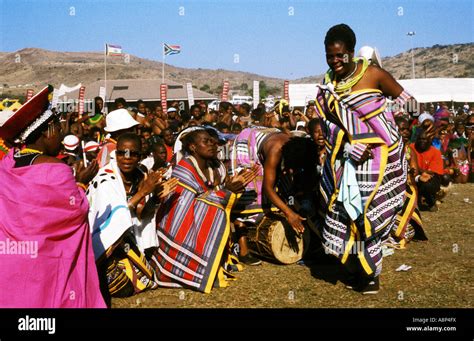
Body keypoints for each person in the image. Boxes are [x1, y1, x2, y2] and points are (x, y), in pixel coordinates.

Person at [314, 24, 410, 294]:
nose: (335, 61)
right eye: (329, 56)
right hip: (345, 158)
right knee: (347, 210)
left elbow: (409, 102)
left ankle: (370, 275)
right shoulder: (328, 84)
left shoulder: (374, 74)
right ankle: (354, 264)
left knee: (370, 214)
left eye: (340, 56)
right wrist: (349, 142)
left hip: (382, 158)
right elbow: (327, 122)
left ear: (352, 52)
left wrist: (387, 126)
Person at [0, 85, 105, 307]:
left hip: (10, 259)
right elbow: (76, 211)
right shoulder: (55, 169)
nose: (61, 135)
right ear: (48, 130)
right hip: (45, 260)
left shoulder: (7, 165)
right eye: (58, 129)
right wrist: (82, 183)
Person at [154, 128, 258, 293]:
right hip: (177, 226)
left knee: (215, 209)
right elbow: (185, 207)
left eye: (212, 141)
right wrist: (225, 192)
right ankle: (193, 268)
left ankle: (213, 263)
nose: (212, 144)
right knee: (212, 210)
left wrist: (232, 189)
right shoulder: (184, 169)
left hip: (197, 217)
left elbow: (211, 197)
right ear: (193, 147)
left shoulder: (216, 167)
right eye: (206, 141)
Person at [87, 133, 177, 302]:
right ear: (116, 154)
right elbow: (114, 220)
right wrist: (144, 192)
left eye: (133, 154)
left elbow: (140, 215)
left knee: (145, 278)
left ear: (140, 156)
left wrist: (155, 198)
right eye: (122, 153)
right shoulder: (106, 179)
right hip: (105, 245)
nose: (127, 158)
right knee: (123, 287)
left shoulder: (141, 175)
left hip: (129, 240)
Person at [411, 128, 445, 211]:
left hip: (429, 177)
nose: (422, 141)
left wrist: (418, 169)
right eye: (420, 139)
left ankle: (431, 202)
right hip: (413, 175)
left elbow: (432, 171)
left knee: (427, 185)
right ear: (416, 140)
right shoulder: (410, 148)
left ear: (430, 141)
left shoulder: (436, 152)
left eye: (425, 139)